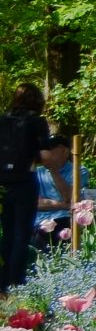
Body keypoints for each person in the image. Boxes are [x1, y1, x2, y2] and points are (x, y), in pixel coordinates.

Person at [0, 84, 52, 291]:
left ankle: (2, 284)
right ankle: (16, 284)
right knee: (22, 233)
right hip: (25, 182)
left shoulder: (3, 120)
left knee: (7, 232)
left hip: (3, 184)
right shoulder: (37, 122)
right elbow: (46, 157)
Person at [34, 135, 87, 248]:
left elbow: (69, 197)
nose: (46, 152)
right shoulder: (37, 172)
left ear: (65, 151)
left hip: (65, 219)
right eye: (44, 149)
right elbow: (34, 202)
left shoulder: (78, 171)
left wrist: (54, 170)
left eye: (50, 148)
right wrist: (64, 205)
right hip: (39, 220)